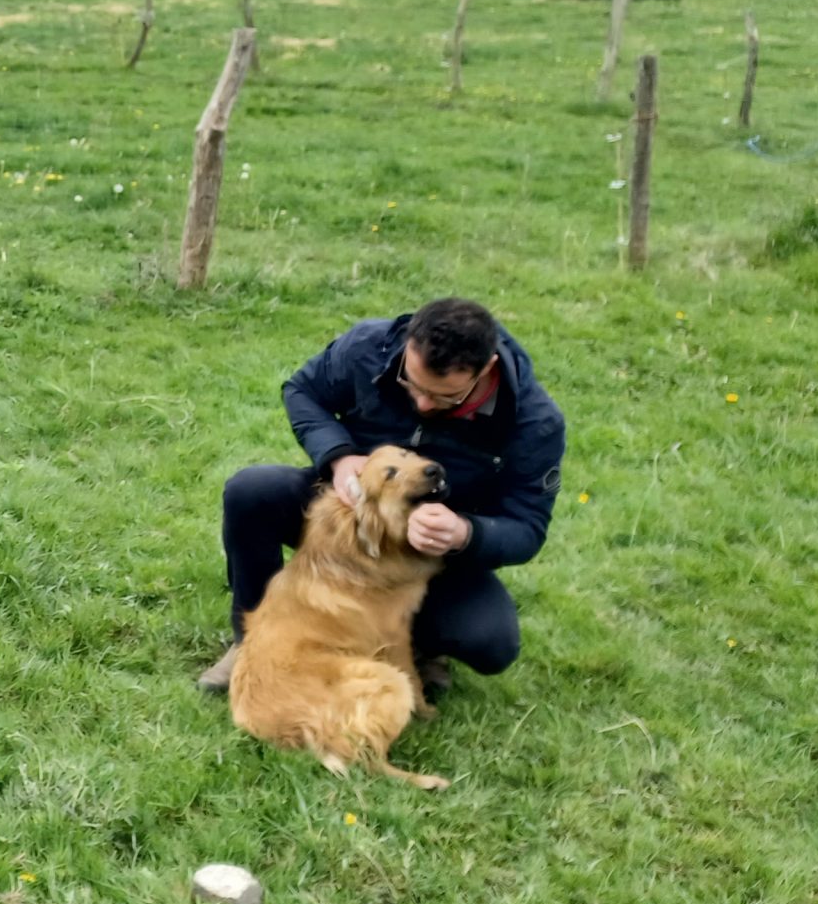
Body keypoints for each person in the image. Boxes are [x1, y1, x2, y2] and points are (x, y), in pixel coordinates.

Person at [199, 297, 565, 697]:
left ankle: (416, 647)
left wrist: (465, 533)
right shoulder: (368, 347)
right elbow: (303, 391)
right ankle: (254, 639)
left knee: (491, 642)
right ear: (408, 344)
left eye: (446, 398)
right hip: (348, 518)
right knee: (252, 491)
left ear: (487, 369)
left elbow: (527, 527)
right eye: (413, 385)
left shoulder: (534, 423)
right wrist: (338, 457)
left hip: (431, 561)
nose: (423, 405)